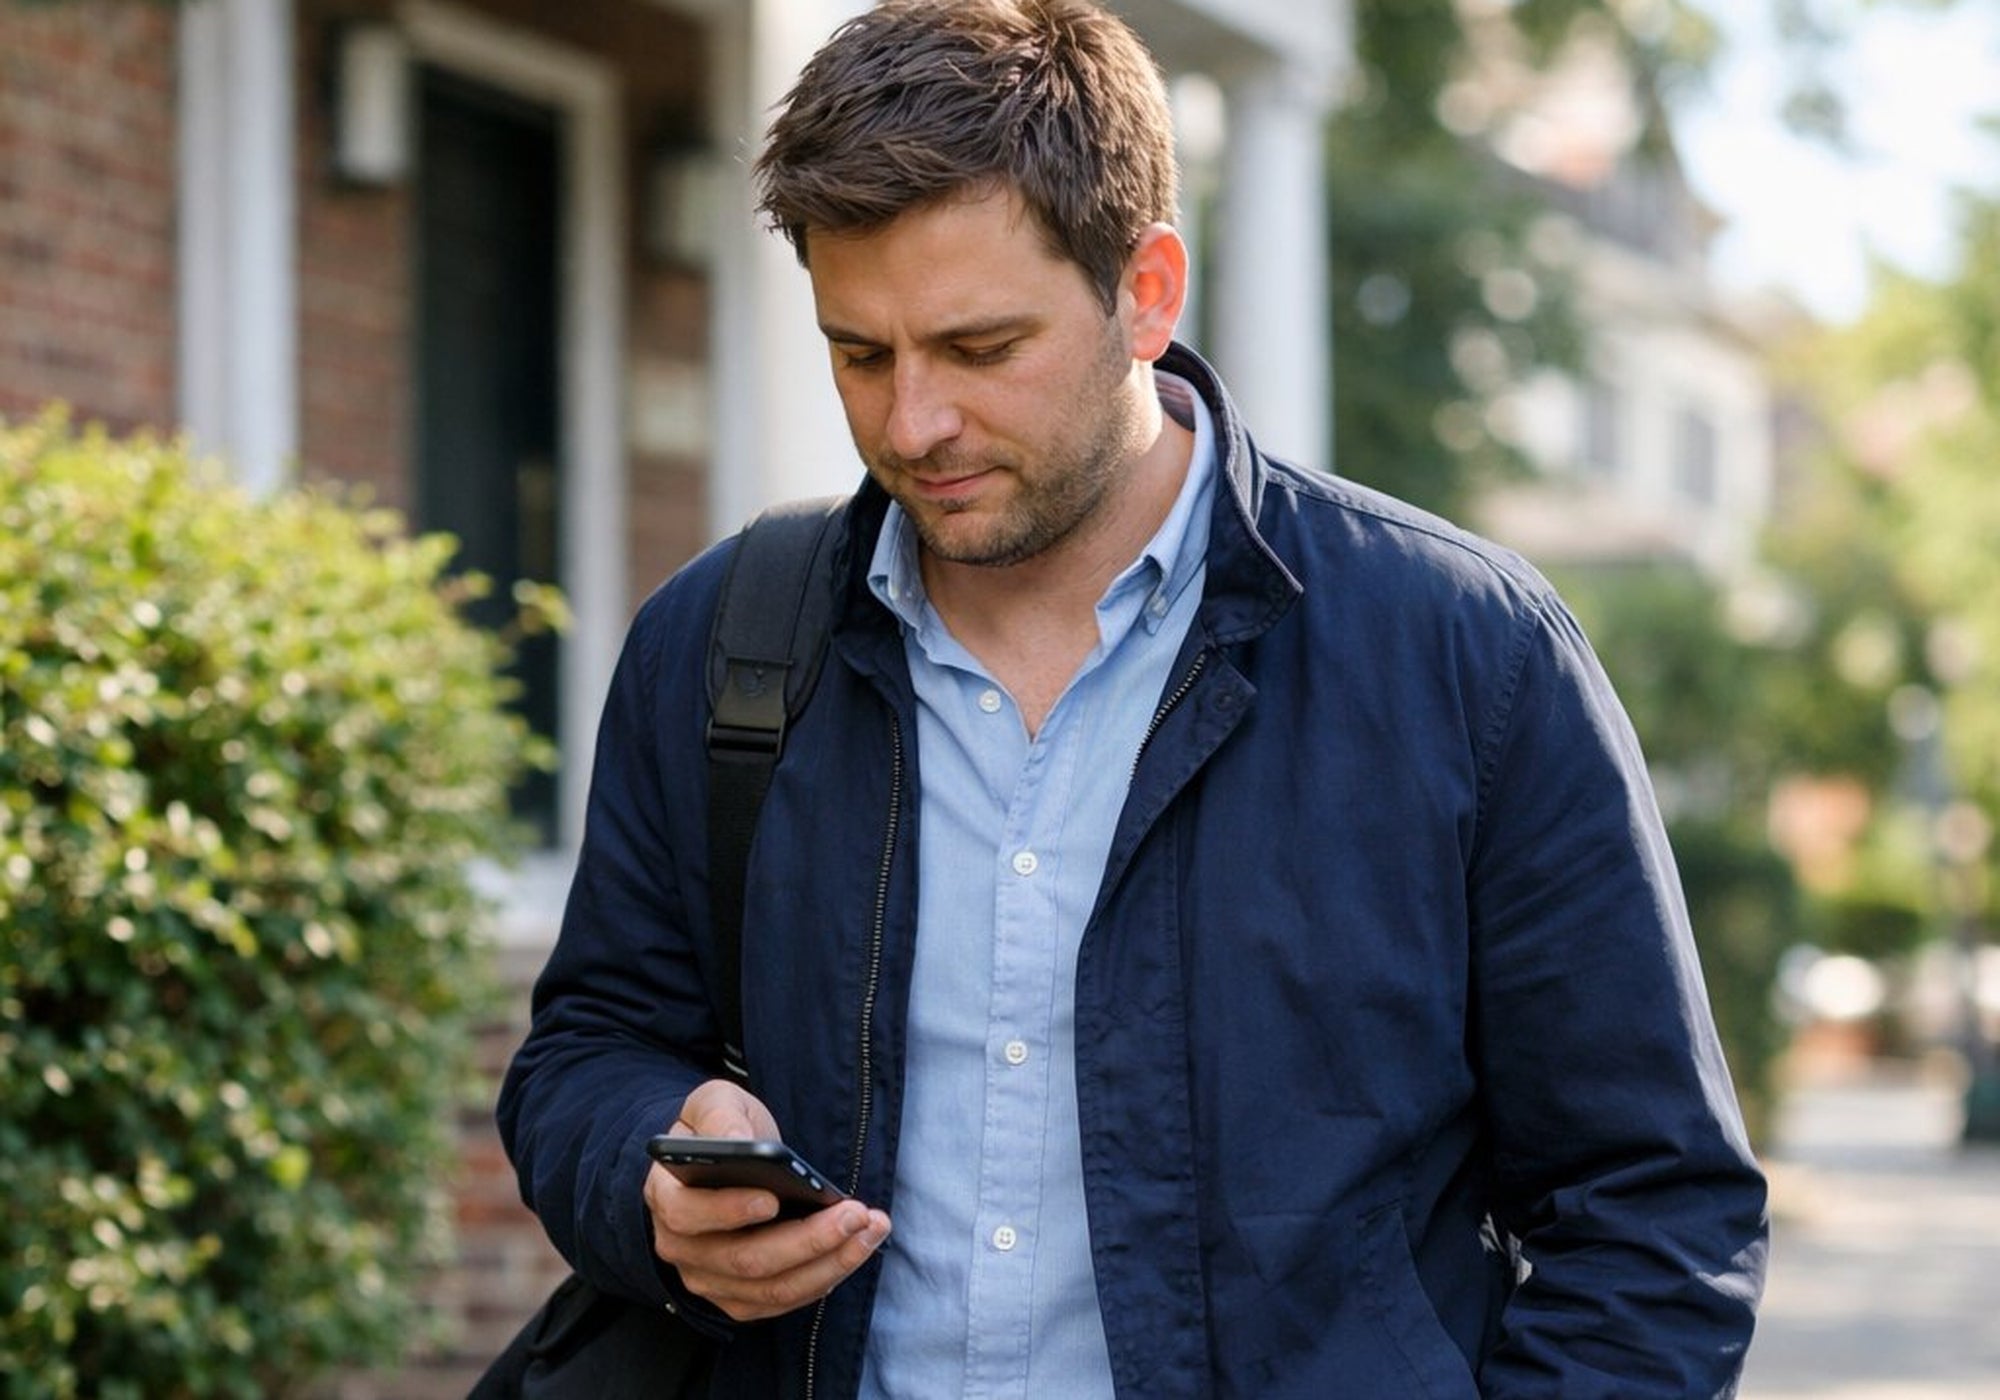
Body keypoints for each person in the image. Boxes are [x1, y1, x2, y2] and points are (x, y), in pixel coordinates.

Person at [496, 1, 1769, 1395]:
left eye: (981, 350)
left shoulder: (1469, 654)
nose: (912, 423)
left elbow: (1652, 1212)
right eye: (860, 353)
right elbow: (589, 1050)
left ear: (1148, 291)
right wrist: (649, 1174)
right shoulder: (721, 641)